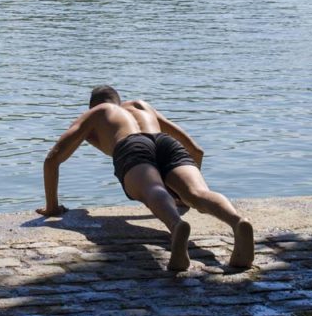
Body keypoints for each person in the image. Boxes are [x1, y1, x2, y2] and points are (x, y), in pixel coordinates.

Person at [37, 85, 254, 271]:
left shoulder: (99, 112)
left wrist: (52, 208)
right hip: (165, 142)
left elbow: (53, 158)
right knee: (199, 193)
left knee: (153, 192)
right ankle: (237, 221)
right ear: (118, 100)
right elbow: (196, 150)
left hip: (132, 146)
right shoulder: (141, 106)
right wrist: (181, 197)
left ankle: (176, 225)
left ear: (94, 104)